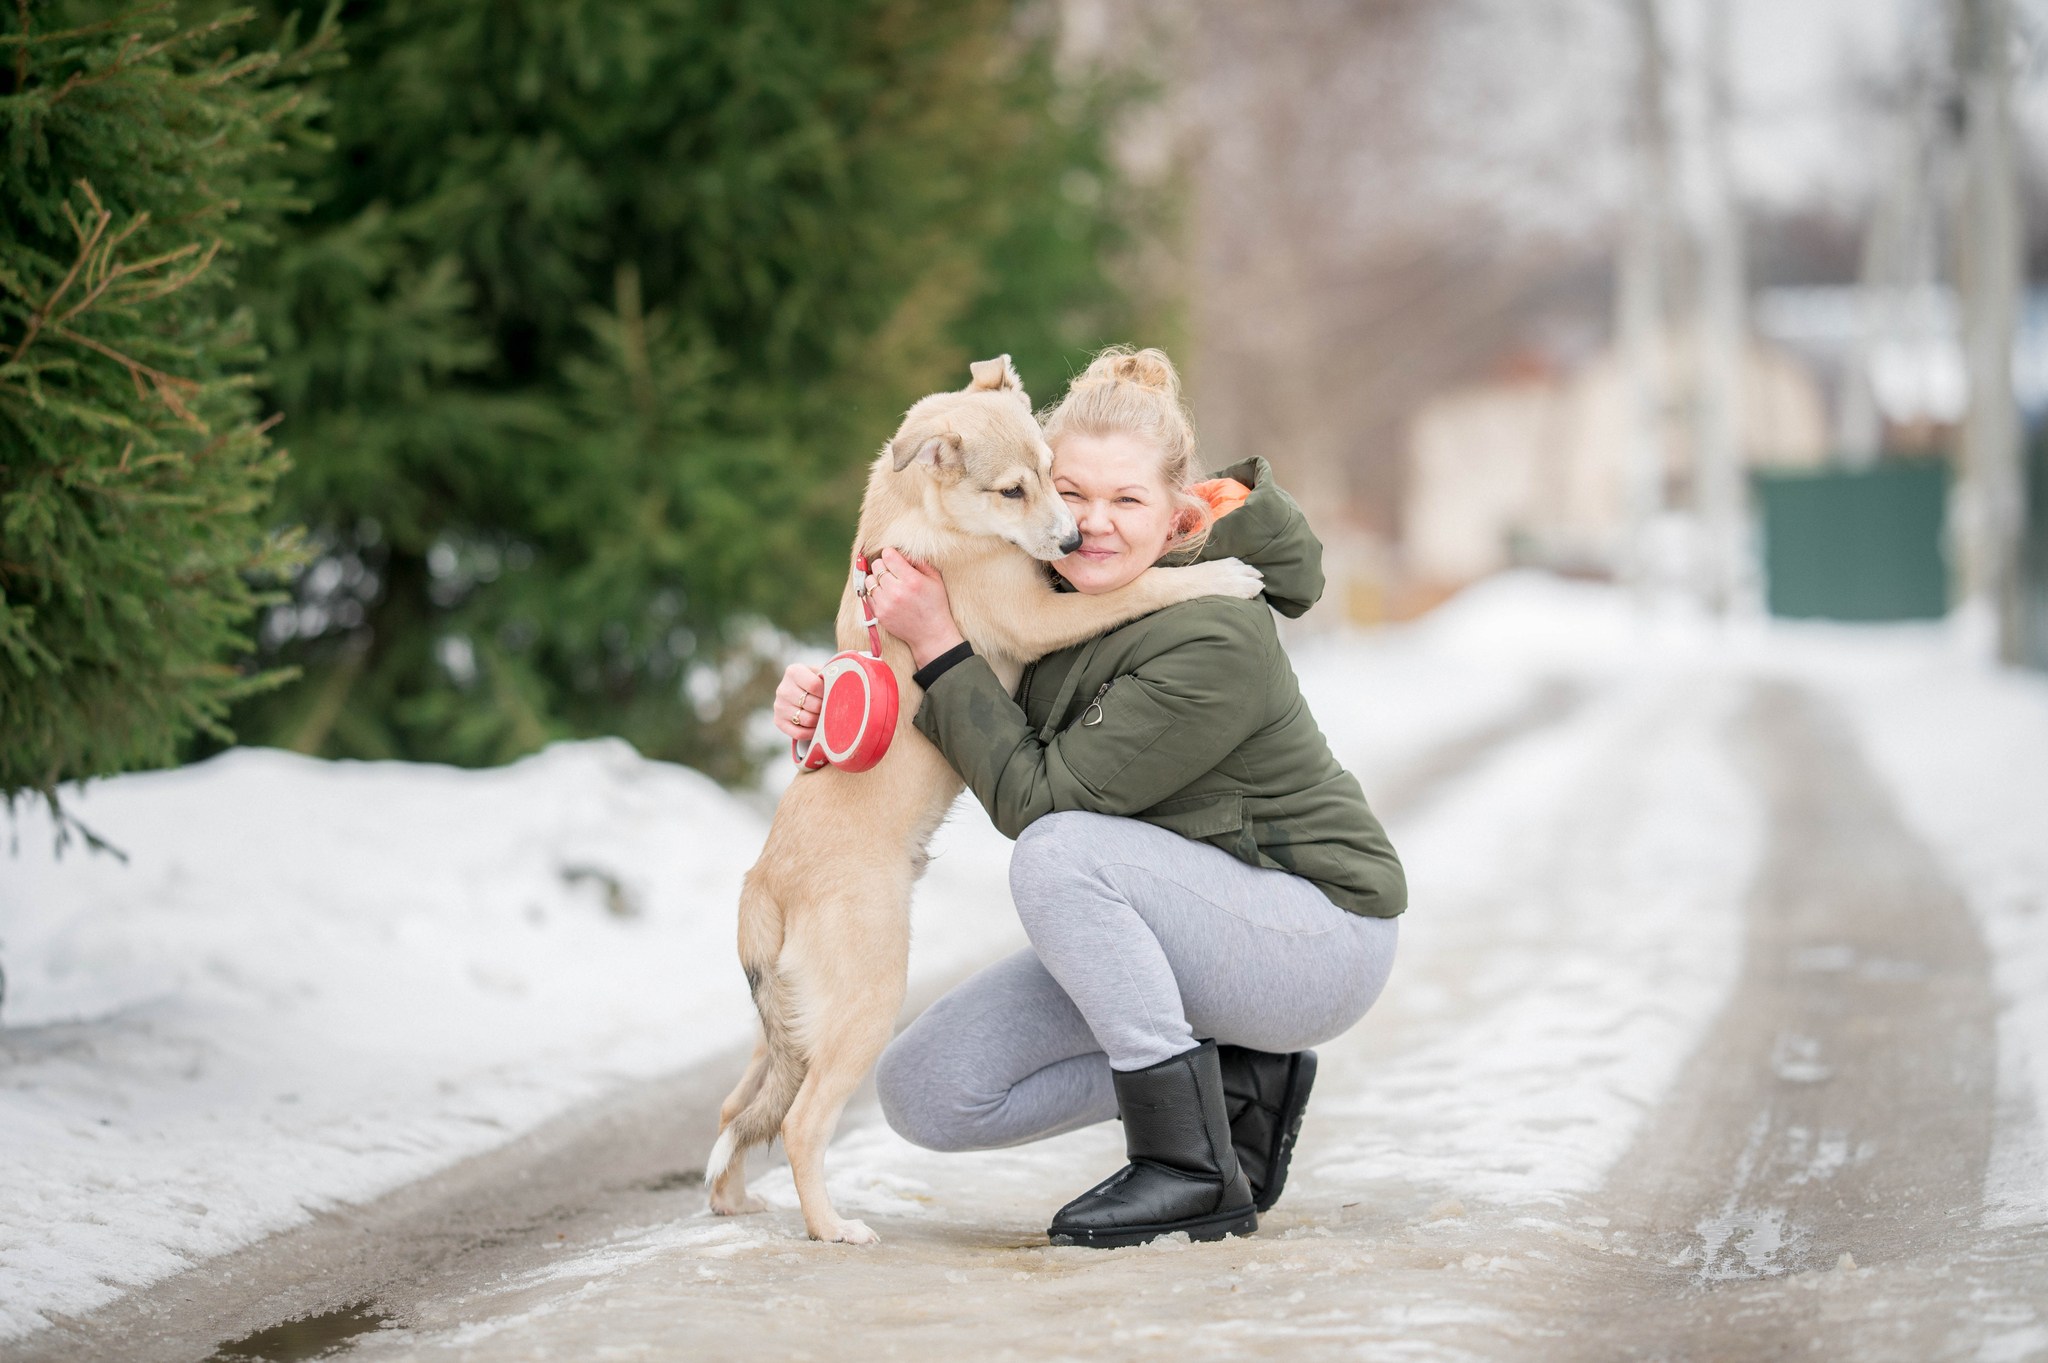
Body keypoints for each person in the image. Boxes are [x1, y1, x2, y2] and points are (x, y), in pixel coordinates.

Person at [769, 346, 1405, 1248]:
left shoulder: (1213, 630)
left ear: (1179, 511)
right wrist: (832, 700)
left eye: (1129, 501)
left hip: (1312, 935)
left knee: (1060, 852)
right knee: (929, 1088)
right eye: (1071, 493)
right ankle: (1229, 1085)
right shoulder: (1044, 585)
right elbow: (931, 698)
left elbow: (1043, 802)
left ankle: (1187, 1165)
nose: (1089, 524)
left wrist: (944, 646)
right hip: (1161, 925)